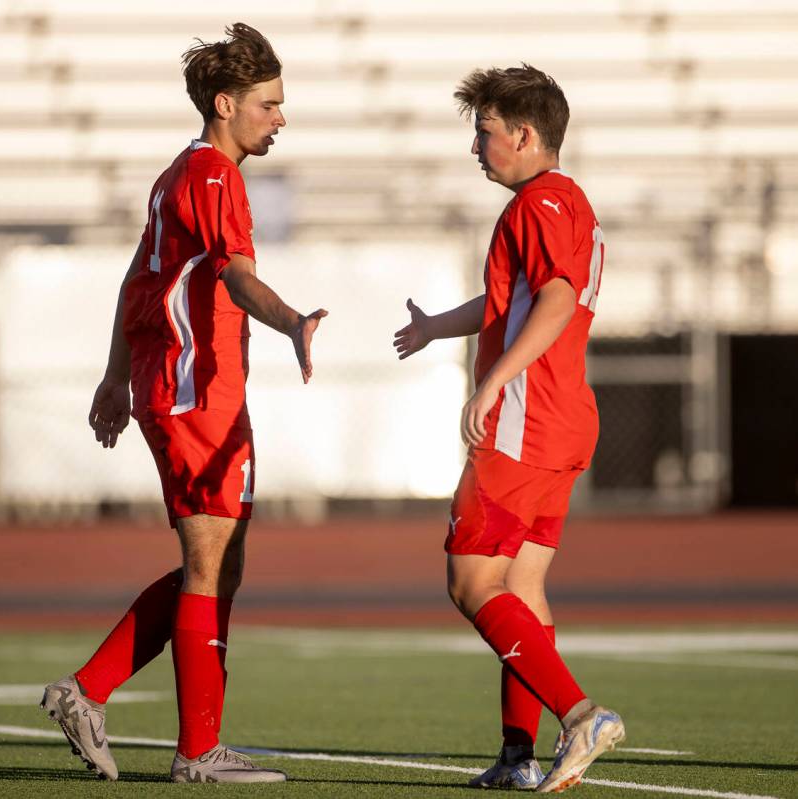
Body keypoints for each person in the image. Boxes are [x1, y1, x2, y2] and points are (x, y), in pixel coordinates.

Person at [41, 23, 326, 784]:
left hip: (189, 387)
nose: (280, 117)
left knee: (219, 563)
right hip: (193, 390)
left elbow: (139, 275)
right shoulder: (210, 178)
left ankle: (93, 692)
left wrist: (113, 374)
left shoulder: (183, 176)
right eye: (269, 103)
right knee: (209, 558)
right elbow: (233, 275)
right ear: (225, 104)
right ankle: (192, 747)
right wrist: (293, 319)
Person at [393, 65, 624, 793]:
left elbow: (553, 298)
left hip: (527, 421)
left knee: (470, 580)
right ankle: (517, 756)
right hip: (561, 422)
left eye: (483, 131)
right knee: (519, 587)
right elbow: (520, 297)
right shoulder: (561, 203)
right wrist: (438, 327)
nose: (475, 147)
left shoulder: (541, 202)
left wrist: (494, 378)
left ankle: (579, 713)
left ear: (524, 135)